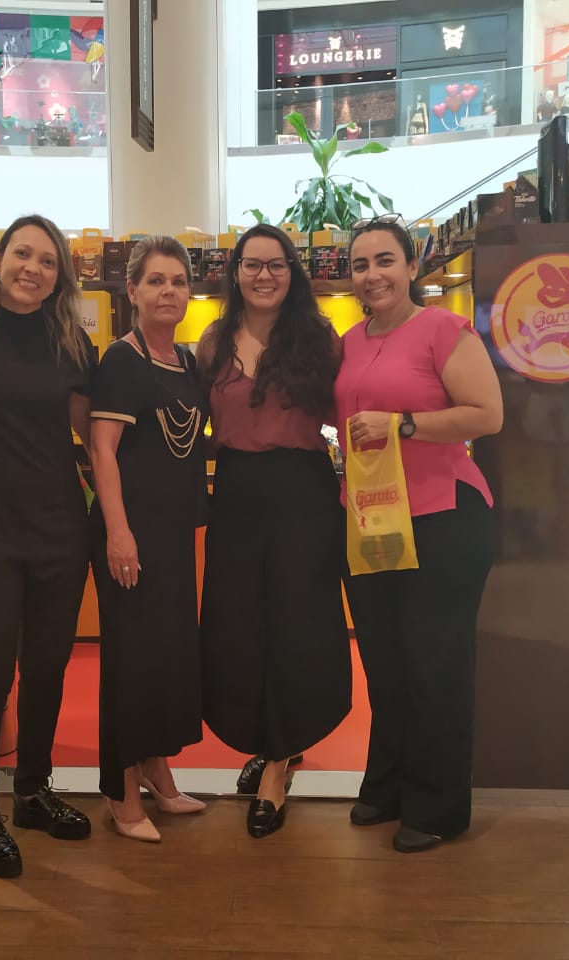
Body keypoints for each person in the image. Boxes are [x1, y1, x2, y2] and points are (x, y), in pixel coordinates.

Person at [336, 215, 502, 854]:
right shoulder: (349, 342)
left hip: (443, 516)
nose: (372, 274)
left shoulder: (442, 330)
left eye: (385, 260)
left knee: (436, 664)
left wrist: (404, 424)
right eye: (360, 264)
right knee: (385, 663)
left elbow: (487, 414)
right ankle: (388, 787)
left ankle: (437, 807)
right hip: (370, 518)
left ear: (411, 267)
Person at [0, 214, 97, 878]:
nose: (33, 268)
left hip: (60, 526)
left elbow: (95, 437)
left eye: (47, 260)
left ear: (59, 275)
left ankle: (33, 791)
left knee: (47, 668)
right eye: (22, 254)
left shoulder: (71, 341)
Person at [198, 223, 351, 840]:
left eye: (276, 264)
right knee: (239, 624)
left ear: (293, 272)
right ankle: (267, 739)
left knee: (297, 624)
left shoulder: (319, 338)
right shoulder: (214, 341)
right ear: (235, 273)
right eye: (252, 264)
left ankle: (279, 765)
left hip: (302, 494)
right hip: (236, 492)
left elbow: (352, 410)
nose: (264, 275)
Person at [87, 236, 208, 843]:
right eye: (156, 281)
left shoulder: (187, 361)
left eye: (178, 281)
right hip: (129, 534)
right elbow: (101, 449)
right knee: (131, 663)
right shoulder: (121, 360)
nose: (169, 291)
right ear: (131, 290)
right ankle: (121, 791)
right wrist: (118, 533)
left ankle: (159, 772)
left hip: (172, 535)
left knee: (166, 657)